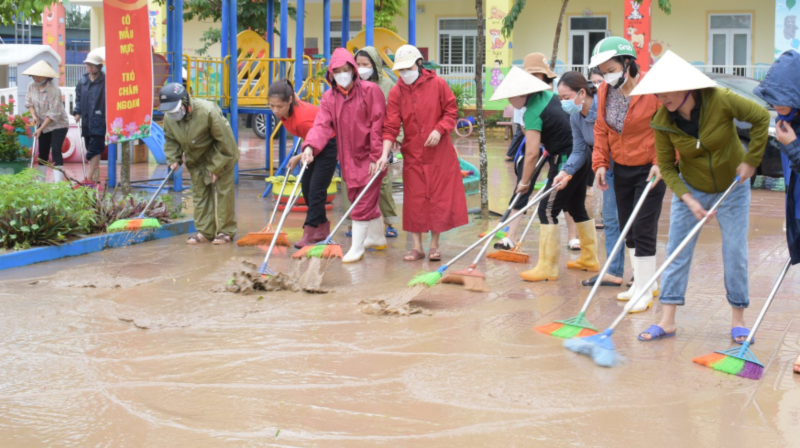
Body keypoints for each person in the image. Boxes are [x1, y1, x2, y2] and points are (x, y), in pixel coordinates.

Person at [633, 51, 769, 341]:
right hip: (691, 187)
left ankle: (738, 319)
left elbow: (759, 118)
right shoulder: (662, 121)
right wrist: (687, 198)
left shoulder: (720, 99)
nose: (661, 97)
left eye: (666, 90)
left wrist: (751, 159)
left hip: (733, 187)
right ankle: (667, 320)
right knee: (676, 252)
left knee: (734, 252)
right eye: (657, 92)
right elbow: (667, 167)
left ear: (686, 86)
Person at [493, 57, 599, 282]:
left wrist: (524, 181)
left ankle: (548, 267)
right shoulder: (548, 97)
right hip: (582, 157)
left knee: (547, 210)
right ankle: (589, 258)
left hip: (567, 159)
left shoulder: (532, 112)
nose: (511, 103)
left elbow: (531, 154)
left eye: (511, 98)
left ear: (523, 94)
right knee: (576, 205)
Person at [590, 36, 666, 312]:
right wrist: (600, 163)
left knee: (644, 228)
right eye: (602, 72)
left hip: (651, 168)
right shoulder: (604, 92)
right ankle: (643, 282)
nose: (606, 77)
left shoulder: (652, 90)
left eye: (610, 70)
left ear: (627, 63)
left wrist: (661, 161)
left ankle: (644, 290)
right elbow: (601, 128)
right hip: (621, 167)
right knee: (628, 228)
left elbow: (667, 130)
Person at [382, 44, 469, 261]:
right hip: (413, 153)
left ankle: (434, 246)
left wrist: (439, 131)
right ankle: (416, 247)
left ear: (419, 63)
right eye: (400, 70)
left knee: (438, 197)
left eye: (408, 68)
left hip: (439, 153)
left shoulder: (438, 84)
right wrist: (384, 154)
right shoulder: (396, 92)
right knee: (415, 199)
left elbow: (451, 112)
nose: (404, 74)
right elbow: (391, 125)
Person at [304, 48, 387, 263]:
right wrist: (310, 147)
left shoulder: (370, 91)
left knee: (362, 201)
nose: (342, 74)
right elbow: (321, 125)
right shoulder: (329, 98)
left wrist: (376, 156)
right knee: (357, 196)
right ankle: (377, 238)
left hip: (371, 157)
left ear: (353, 70)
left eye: (346, 69)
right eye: (337, 71)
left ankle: (357, 248)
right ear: (331, 74)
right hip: (348, 158)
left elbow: (378, 125)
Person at [554, 71, 623, 287]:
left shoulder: (604, 107)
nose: (563, 103)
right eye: (561, 99)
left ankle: (642, 276)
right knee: (611, 219)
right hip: (607, 170)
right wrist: (565, 172)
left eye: (566, 98)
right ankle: (614, 271)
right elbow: (579, 150)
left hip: (629, 166)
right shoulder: (575, 117)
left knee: (633, 220)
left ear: (581, 93)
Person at [754, 51, 800, 372]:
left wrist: (794, 145)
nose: (776, 105)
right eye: (772, 99)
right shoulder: (787, 121)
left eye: (781, 98)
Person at [160, 82, 240, 245]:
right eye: (169, 112)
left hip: (220, 155)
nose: (172, 115)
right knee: (200, 194)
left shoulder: (207, 111)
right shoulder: (170, 118)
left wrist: (217, 166)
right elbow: (171, 140)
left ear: (185, 103)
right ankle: (205, 231)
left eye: (174, 111)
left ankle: (226, 231)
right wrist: (173, 158)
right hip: (196, 160)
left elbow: (225, 141)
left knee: (224, 194)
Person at [338, 47, 402, 239]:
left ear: (375, 65)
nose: (361, 68)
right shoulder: (350, 85)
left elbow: (396, 114)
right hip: (354, 141)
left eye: (366, 64)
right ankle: (350, 223)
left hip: (380, 140)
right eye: (358, 64)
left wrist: (396, 138)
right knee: (350, 182)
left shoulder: (388, 86)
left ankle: (389, 221)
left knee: (382, 181)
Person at [271, 79, 337, 248]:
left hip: (328, 144)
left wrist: (299, 156)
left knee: (316, 190)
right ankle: (321, 228)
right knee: (307, 187)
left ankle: (310, 231)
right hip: (312, 145)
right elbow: (310, 143)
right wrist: (298, 157)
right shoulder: (289, 109)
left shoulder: (302, 120)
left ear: (289, 101)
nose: (275, 111)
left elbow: (318, 139)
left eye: (279, 106)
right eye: (272, 106)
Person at [24, 60, 69, 182]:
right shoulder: (31, 86)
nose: (37, 78)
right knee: (42, 151)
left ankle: (57, 183)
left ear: (47, 75)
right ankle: (41, 181)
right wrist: (33, 115)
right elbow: (29, 103)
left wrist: (40, 129)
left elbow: (53, 114)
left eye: (40, 75)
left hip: (58, 124)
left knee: (55, 150)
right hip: (41, 122)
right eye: (35, 75)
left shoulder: (54, 90)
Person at [73, 48, 106, 187]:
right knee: (89, 146)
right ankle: (95, 177)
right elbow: (79, 98)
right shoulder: (83, 80)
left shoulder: (105, 81)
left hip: (100, 118)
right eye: (87, 65)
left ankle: (89, 178)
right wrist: (77, 112)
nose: (89, 67)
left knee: (95, 148)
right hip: (86, 118)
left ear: (99, 66)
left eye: (91, 65)